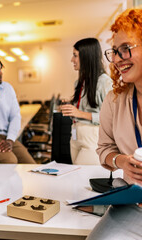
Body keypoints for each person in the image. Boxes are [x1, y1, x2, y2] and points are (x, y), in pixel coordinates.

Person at [87, 9, 142, 240]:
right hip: (133, 206)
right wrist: (121, 161)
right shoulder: (115, 100)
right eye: (115, 52)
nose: (119, 59)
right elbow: (104, 150)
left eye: (126, 48)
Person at [61, 38, 113, 165]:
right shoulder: (80, 82)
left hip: (92, 137)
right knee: (77, 176)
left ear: (86, 57)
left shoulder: (105, 82)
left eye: (75, 55)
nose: (72, 60)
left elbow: (111, 118)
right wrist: (71, 104)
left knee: (81, 177)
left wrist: (80, 113)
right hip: (75, 136)